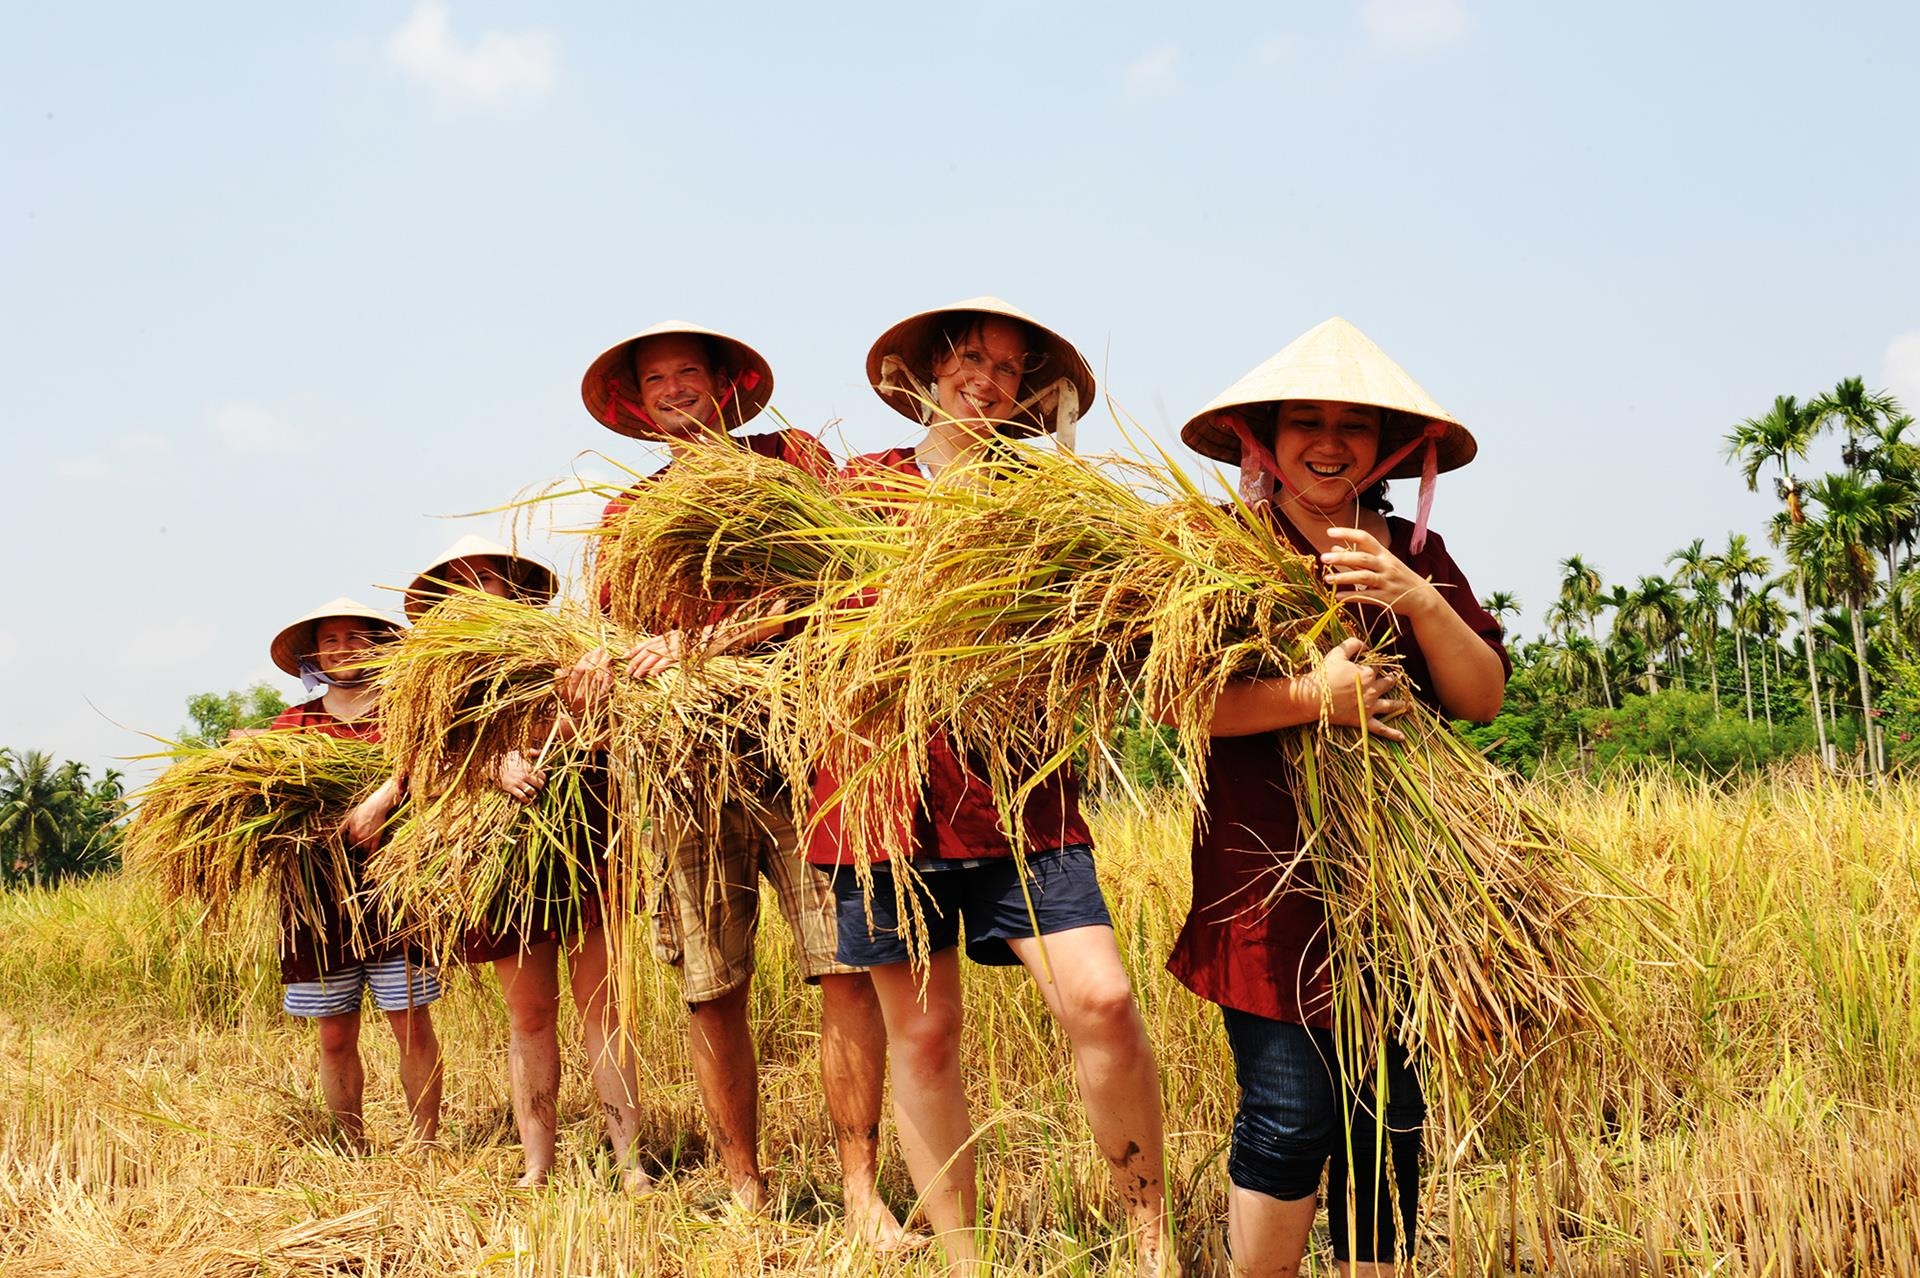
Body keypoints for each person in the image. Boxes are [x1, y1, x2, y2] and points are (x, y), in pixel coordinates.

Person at [810, 297, 1175, 1276]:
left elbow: (1114, 617)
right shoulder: (855, 493)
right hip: (881, 801)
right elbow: (790, 620)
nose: (988, 379)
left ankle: (1150, 1241)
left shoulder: (1047, 503)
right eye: (971, 358)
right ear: (927, 377)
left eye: (1010, 370)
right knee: (923, 1039)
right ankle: (965, 1261)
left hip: (1020, 796)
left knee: (1101, 1000)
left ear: (1028, 395)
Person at [1164, 317, 1509, 1276]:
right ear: (1262, 440)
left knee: (1387, 1115)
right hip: (1263, 880)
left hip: (1400, 894)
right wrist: (1315, 699)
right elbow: (1179, 704)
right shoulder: (1221, 551)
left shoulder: (1412, 555)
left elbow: (1480, 697)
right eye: (1302, 421)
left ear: (1391, 448)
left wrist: (1419, 598)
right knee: (1290, 1114)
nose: (1327, 442)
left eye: (1353, 427)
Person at [562, 322, 907, 1243]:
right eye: (656, 380)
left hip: (804, 748)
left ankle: (861, 1191)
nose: (674, 389)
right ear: (637, 402)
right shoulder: (630, 514)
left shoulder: (789, 461)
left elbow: (833, 582)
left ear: (724, 385)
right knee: (711, 984)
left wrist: (700, 644)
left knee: (846, 968)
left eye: (689, 374)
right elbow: (615, 637)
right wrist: (597, 669)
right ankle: (744, 1185)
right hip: (685, 767)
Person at [401, 535, 655, 1192]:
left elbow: (614, 727)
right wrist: (493, 764)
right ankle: (537, 1164)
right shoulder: (435, 677)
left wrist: (566, 723)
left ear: (513, 585)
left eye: (486, 576)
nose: (473, 587)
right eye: (457, 580)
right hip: (501, 855)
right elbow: (427, 765)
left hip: (586, 835)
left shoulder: (564, 647)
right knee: (530, 1014)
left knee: (604, 1005)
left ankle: (629, 1161)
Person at [265, 597, 444, 1150]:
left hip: (396, 892)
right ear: (316, 653)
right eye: (332, 640)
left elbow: (435, 762)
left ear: (378, 644)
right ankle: (350, 1143)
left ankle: (425, 1143)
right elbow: (258, 786)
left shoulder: (405, 713)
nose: (344, 649)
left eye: (356, 637)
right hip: (317, 900)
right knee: (335, 1031)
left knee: (409, 1021)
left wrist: (385, 798)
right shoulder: (295, 724)